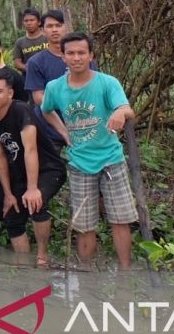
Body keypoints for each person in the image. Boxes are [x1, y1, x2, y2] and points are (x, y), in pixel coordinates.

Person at [40, 33, 138, 269]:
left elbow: (127, 109)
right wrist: (63, 132)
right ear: (63, 57)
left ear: (91, 56)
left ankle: (126, 273)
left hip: (111, 160)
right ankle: (87, 276)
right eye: (71, 53)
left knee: (120, 220)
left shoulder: (107, 82)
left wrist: (119, 112)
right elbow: (46, 110)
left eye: (81, 53)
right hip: (79, 163)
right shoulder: (55, 87)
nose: (76, 58)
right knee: (84, 224)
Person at [0, 70, 65, 267]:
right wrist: (9, 193)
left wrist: (33, 187)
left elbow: (31, 149)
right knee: (12, 218)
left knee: (36, 203)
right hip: (20, 174)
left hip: (49, 169)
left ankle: (42, 258)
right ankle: (24, 265)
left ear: (10, 94)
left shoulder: (21, 111)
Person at [12, 9, 47, 73]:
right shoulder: (20, 42)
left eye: (32, 20)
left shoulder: (47, 38)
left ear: (39, 22)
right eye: (26, 21)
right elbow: (17, 63)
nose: (29, 23)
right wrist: (29, 68)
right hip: (29, 77)